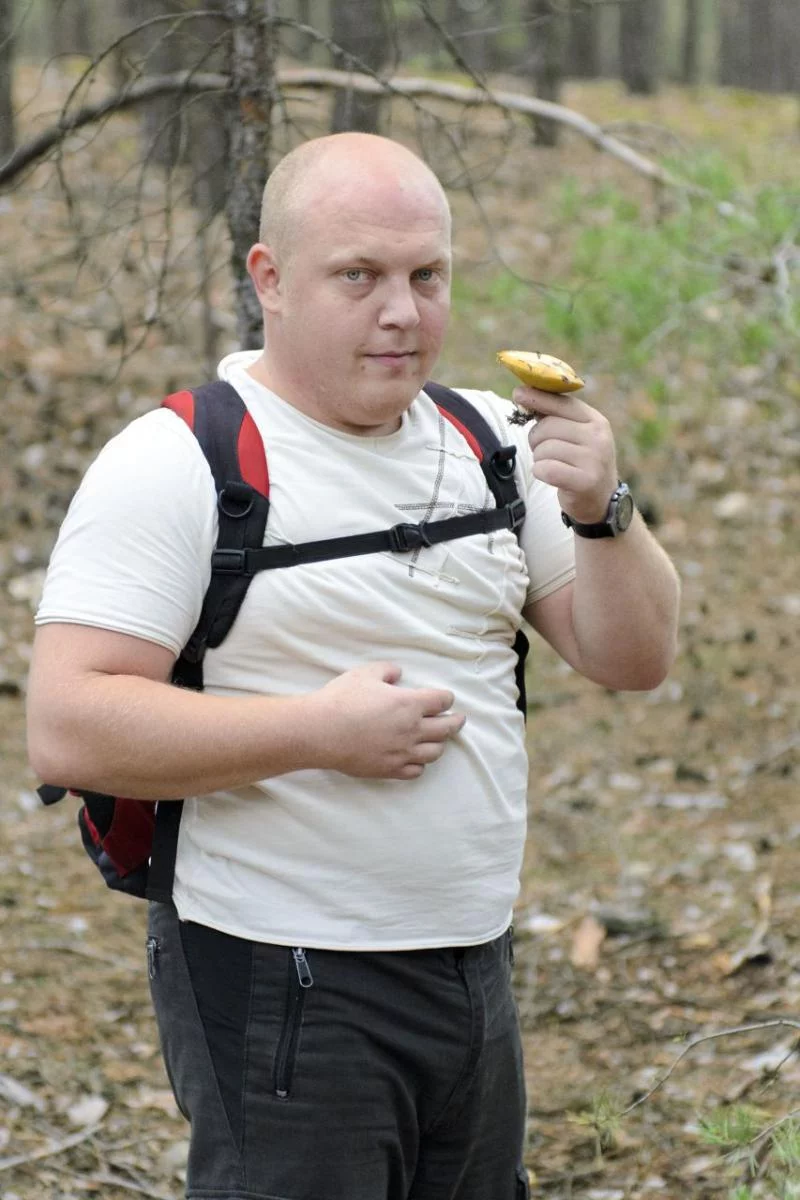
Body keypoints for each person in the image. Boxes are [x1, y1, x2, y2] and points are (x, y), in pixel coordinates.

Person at [26, 132, 680, 1200]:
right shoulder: (178, 461)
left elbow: (633, 658)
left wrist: (601, 510)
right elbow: (66, 724)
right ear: (270, 280)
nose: (402, 312)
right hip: (277, 970)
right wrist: (317, 733)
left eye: (427, 276)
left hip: (472, 957)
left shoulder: (493, 442)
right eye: (359, 276)